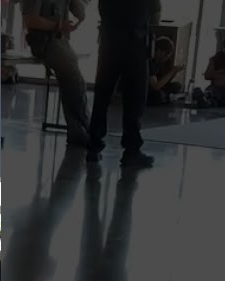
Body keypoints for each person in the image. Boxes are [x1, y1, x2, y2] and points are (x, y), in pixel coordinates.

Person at [87, 0, 161, 168]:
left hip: (109, 44)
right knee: (134, 101)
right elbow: (156, 14)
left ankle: (93, 146)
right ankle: (131, 151)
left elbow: (102, 9)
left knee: (102, 96)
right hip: (135, 45)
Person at [21, 0, 91, 146]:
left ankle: (77, 130)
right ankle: (85, 126)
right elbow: (30, 20)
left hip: (60, 40)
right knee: (75, 80)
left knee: (72, 81)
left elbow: (81, 15)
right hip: (44, 41)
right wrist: (57, 26)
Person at [148, 36, 184, 106]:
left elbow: (163, 81)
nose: (167, 58)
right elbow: (155, 86)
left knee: (177, 86)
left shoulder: (158, 62)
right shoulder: (151, 62)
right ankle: (166, 97)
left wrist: (174, 73)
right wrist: (171, 72)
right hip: (148, 89)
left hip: (157, 87)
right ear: (159, 51)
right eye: (166, 55)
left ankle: (166, 97)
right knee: (158, 95)